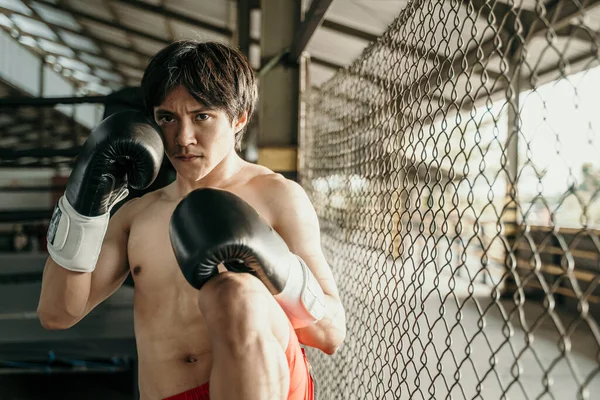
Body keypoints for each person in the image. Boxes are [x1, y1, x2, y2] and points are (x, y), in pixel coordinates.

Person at [37, 40, 346, 400]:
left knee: (234, 294)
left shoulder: (277, 196)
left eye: (202, 116)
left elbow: (330, 335)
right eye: (167, 118)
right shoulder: (138, 215)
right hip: (167, 394)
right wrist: (84, 206)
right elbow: (57, 314)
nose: (183, 138)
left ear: (238, 118)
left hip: (268, 384)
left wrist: (276, 268)